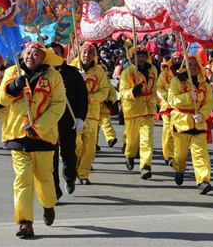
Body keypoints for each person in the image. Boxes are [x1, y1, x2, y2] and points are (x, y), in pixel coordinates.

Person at [0, 41, 66, 238]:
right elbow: (1, 98)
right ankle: (25, 222)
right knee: (22, 179)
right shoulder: (13, 71)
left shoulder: (54, 76)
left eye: (35, 53)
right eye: (28, 52)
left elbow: (59, 104)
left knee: (44, 178)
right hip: (17, 134)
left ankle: (48, 204)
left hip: (43, 136)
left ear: (44, 56)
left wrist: (40, 126)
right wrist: (12, 87)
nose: (30, 57)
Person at [168, 54, 213, 194]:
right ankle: (179, 170)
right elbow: (172, 99)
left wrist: (202, 115)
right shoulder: (177, 81)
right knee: (180, 156)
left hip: (198, 123)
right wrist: (187, 97)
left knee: (201, 154)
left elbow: (209, 102)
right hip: (181, 122)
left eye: (195, 65)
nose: (193, 68)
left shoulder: (205, 84)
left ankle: (203, 180)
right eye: (190, 65)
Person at [49, 42, 88, 199]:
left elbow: (82, 98)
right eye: (50, 53)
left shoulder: (72, 73)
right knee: (50, 157)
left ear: (62, 55)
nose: (53, 56)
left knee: (68, 154)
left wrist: (80, 118)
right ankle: (54, 191)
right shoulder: (44, 73)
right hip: (49, 121)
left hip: (68, 119)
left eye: (56, 53)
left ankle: (70, 176)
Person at [72, 43, 110, 185]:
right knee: (75, 144)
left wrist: (91, 98)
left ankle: (83, 174)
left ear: (94, 56)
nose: (86, 55)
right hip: (75, 114)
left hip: (92, 114)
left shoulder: (99, 72)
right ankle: (72, 169)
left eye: (89, 53)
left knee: (89, 147)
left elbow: (104, 91)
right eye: (84, 52)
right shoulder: (72, 68)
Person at [119, 45, 158, 179]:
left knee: (147, 140)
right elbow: (123, 92)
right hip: (133, 111)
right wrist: (132, 92)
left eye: (143, 56)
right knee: (132, 142)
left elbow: (156, 87)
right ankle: (129, 155)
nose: (141, 58)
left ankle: (145, 166)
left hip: (148, 110)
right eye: (138, 56)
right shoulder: (127, 73)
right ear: (132, 57)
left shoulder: (153, 70)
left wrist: (157, 102)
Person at [156, 51, 184, 166]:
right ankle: (168, 155)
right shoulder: (165, 73)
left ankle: (178, 154)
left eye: (179, 59)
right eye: (175, 59)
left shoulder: (186, 72)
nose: (177, 60)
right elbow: (159, 87)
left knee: (179, 133)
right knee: (168, 131)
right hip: (167, 105)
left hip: (181, 106)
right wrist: (166, 97)